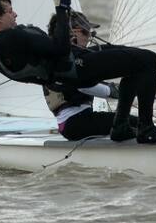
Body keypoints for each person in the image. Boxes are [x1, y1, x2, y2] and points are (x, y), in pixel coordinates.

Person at [0, 0, 156, 144]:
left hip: (71, 72)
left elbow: (51, 57)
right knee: (148, 60)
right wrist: (61, 10)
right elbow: (61, 49)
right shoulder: (12, 38)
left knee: (135, 60)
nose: (15, 14)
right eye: (9, 11)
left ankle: (123, 126)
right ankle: (144, 129)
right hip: (79, 69)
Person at [40, 9, 138, 141]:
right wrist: (111, 91)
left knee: (130, 121)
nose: (89, 38)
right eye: (86, 32)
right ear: (72, 33)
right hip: (74, 123)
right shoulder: (62, 59)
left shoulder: (71, 56)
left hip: (78, 121)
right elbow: (81, 85)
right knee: (136, 123)